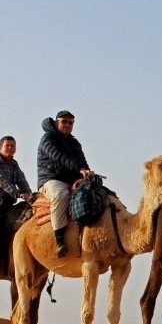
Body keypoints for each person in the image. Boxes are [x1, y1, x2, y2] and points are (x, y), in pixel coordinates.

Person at [37, 110, 95, 257]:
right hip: (51, 179)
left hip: (71, 180)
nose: (68, 125)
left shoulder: (74, 143)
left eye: (71, 122)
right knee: (61, 195)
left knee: (96, 192)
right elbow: (58, 156)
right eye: (64, 121)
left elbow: (82, 162)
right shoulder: (48, 138)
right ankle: (59, 239)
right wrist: (79, 168)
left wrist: (87, 172)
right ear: (57, 122)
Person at [0, 136, 32, 273]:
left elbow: (22, 181)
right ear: (0, 148)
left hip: (8, 203)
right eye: (7, 146)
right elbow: (2, 181)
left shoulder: (14, 165)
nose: (10, 148)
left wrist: (30, 196)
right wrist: (18, 194)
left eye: (13, 146)